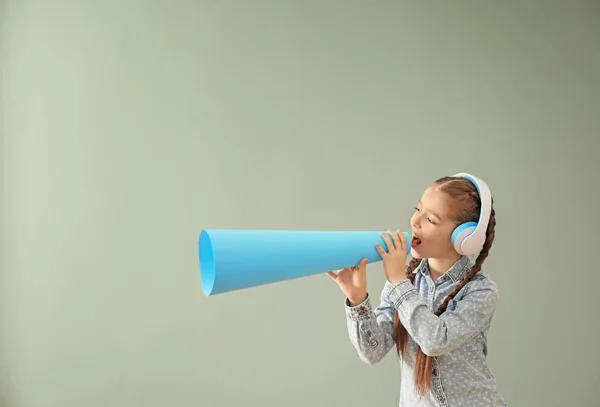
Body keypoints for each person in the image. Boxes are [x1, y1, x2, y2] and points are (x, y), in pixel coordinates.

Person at [327, 174, 507, 406]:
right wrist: (357, 299)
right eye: (417, 209)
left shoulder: (481, 290)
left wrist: (398, 282)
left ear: (464, 237)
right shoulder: (402, 281)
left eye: (430, 219)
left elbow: (436, 340)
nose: (415, 221)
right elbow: (373, 352)